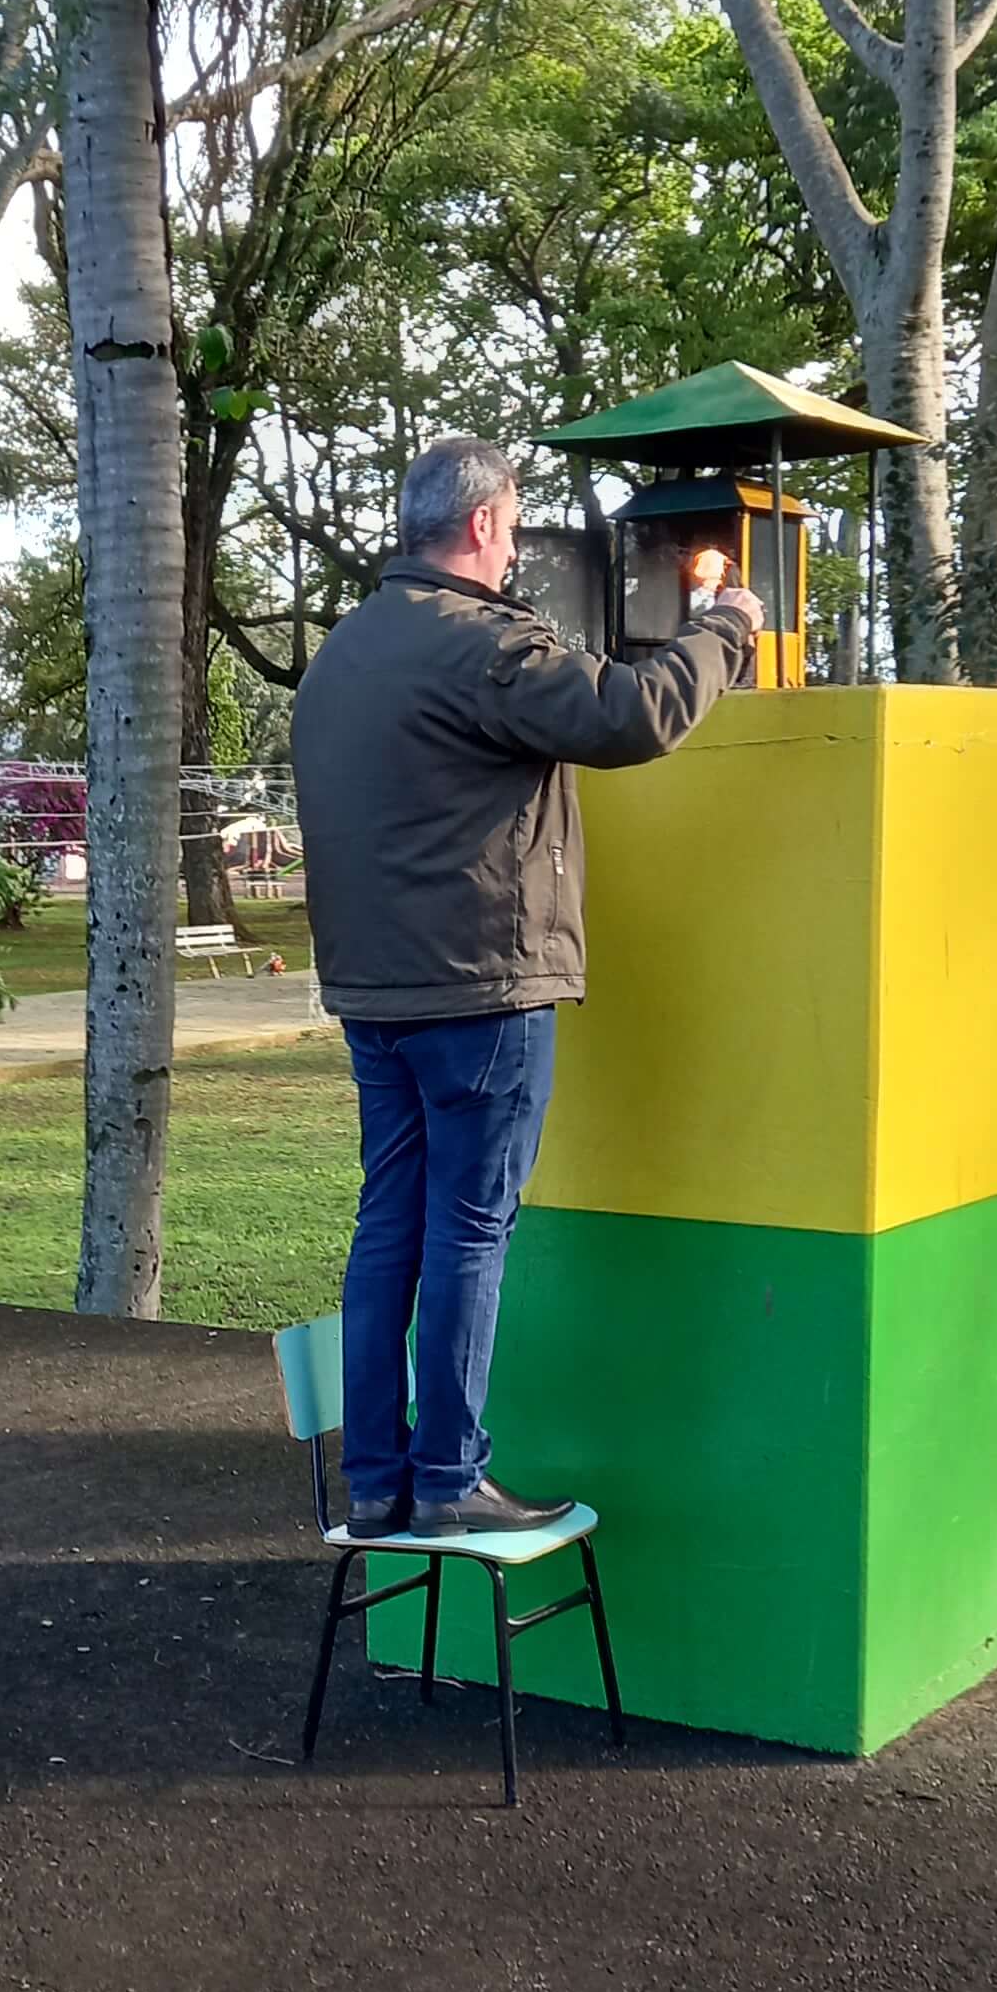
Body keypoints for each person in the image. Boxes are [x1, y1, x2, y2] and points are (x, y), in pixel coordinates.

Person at [290, 437, 755, 1540]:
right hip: (481, 992)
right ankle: (450, 1475)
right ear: (490, 525)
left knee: (388, 1226)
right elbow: (626, 715)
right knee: (467, 1229)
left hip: (374, 996)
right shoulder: (481, 646)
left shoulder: (343, 656)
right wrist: (725, 624)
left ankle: (377, 1476)